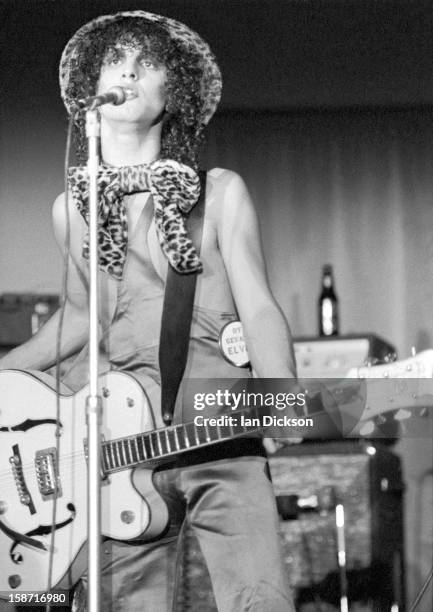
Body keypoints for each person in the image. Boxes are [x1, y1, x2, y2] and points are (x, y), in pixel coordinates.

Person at [0, 11, 297, 612]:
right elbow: (84, 316)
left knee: (258, 600)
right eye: (116, 61)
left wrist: (282, 398)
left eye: (149, 63)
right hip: (115, 444)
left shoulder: (217, 191)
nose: (130, 71)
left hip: (218, 425)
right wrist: (5, 376)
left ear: (173, 93)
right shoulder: (72, 210)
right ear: (93, 88)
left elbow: (259, 304)